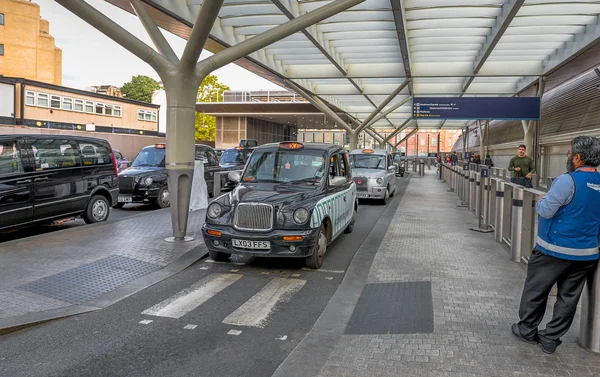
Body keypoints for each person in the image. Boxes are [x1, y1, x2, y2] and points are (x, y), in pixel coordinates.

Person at [512, 136, 600, 354]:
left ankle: (527, 329)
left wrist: (542, 198)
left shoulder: (566, 181)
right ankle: (551, 339)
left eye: (570, 153)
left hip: (553, 250)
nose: (568, 156)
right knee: (568, 298)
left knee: (536, 290)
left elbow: (545, 210)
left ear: (578, 158)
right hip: (586, 254)